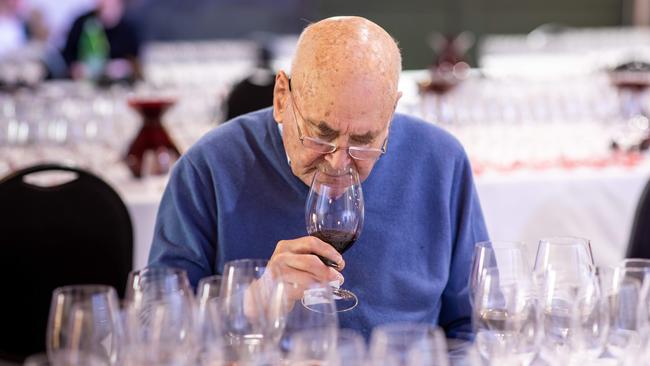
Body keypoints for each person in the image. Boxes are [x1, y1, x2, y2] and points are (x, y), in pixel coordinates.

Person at [149, 16, 489, 339]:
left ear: (392, 110)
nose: (339, 162)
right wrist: (252, 303)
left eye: (363, 141)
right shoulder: (209, 167)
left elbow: (477, 324)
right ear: (282, 97)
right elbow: (151, 328)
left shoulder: (441, 163)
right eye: (320, 135)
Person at [61, 0, 141, 81]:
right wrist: (74, 68)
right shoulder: (82, 23)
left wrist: (125, 67)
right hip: (84, 81)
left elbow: (136, 61)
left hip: (118, 83)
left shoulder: (128, 28)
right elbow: (67, 56)